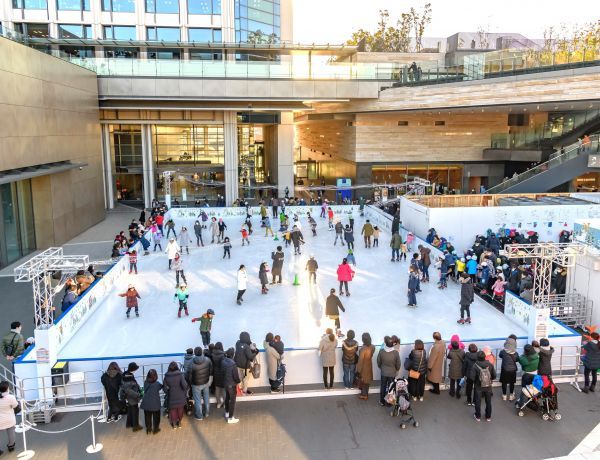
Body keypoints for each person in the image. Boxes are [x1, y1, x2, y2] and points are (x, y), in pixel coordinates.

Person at [469, 351, 496, 422]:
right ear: (485, 357)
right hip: (488, 386)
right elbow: (494, 376)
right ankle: (488, 416)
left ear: (477, 357)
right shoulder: (490, 364)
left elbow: (472, 377)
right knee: (488, 402)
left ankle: (478, 416)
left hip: (478, 386)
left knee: (478, 401)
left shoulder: (475, 365)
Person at [190, 346, 213, 421]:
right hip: (205, 382)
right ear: (202, 352)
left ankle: (199, 416)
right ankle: (207, 413)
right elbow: (210, 370)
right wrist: (209, 379)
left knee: (197, 400)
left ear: (194, 353)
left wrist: (191, 383)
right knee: (206, 398)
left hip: (196, 384)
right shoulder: (207, 360)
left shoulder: (191, 362)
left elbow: (189, 375)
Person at [377, 336, 401, 406]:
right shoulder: (395, 352)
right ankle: (389, 402)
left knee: (383, 387)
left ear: (386, 344)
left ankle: (382, 401)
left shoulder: (381, 351)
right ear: (392, 344)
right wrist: (396, 369)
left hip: (384, 372)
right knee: (391, 388)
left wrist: (381, 367)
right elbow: (398, 364)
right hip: (392, 373)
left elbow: (378, 361)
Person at [120, 362, 143, 432]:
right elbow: (129, 390)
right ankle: (136, 426)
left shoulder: (126, 374)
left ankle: (129, 424)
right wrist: (138, 394)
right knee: (135, 411)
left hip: (128, 397)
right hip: (132, 397)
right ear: (133, 369)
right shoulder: (129, 378)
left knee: (130, 410)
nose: (136, 370)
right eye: (135, 368)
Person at [140, 369, 162, 435]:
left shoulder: (145, 382)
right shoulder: (157, 384)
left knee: (147, 417)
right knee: (156, 417)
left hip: (146, 403)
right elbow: (161, 387)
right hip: (155, 404)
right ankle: (156, 429)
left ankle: (148, 430)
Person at [223, 347, 241, 423]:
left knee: (227, 398)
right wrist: (239, 381)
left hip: (225, 383)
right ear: (233, 355)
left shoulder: (223, 361)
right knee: (232, 401)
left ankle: (227, 412)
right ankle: (230, 418)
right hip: (232, 385)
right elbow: (236, 377)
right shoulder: (233, 364)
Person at [498, 337, 519, 401]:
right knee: (512, 383)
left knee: (504, 383)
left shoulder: (503, 352)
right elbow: (517, 360)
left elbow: (500, 356)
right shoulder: (516, 353)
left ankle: (504, 395)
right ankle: (511, 395)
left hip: (504, 369)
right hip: (512, 370)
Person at [0, 381, 18, 454]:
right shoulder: (11, 397)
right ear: (7, 388)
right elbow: (16, 407)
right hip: (10, 419)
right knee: (11, 433)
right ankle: (11, 446)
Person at [356, 333, 375, 400]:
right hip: (369, 364)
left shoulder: (363, 349)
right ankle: (366, 393)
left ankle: (364, 395)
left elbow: (360, 361)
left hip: (363, 366)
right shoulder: (373, 346)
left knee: (363, 380)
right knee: (367, 380)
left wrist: (358, 370)